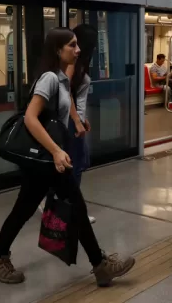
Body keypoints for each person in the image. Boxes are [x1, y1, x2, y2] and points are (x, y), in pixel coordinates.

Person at [0, 28, 135, 286]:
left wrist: (77, 121)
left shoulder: (63, 79)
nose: (78, 50)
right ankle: (100, 265)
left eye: (77, 45)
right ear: (57, 50)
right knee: (75, 205)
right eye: (72, 45)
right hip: (47, 158)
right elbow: (31, 118)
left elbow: (63, 109)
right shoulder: (49, 79)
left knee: (25, 209)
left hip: (45, 160)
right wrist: (56, 150)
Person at [66, 24, 98, 223]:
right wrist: (77, 120)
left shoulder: (78, 63)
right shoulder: (73, 62)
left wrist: (81, 117)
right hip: (71, 124)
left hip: (74, 120)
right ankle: (74, 211)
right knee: (76, 167)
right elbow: (66, 91)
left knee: (74, 165)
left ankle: (61, 206)